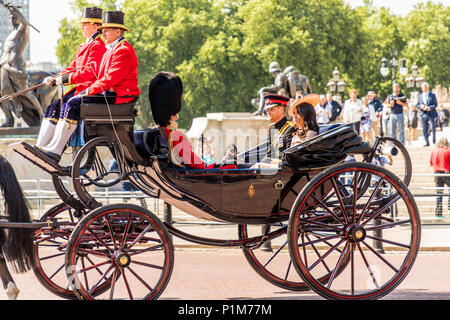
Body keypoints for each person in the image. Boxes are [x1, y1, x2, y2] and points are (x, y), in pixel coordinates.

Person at [35, 10, 141, 162]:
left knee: (73, 103)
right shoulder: (111, 49)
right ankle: (51, 146)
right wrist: (57, 78)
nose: (102, 34)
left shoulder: (122, 50)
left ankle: (55, 149)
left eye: (105, 31)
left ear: (118, 32)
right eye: (102, 30)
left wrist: (87, 91)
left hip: (119, 97)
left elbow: (109, 79)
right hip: (109, 94)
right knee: (63, 104)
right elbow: (92, 73)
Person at [35, 7, 106, 149]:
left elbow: (89, 73)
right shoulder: (83, 46)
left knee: (66, 108)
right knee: (52, 108)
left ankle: (56, 148)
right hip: (79, 89)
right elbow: (71, 68)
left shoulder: (98, 46)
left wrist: (64, 80)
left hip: (89, 91)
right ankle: (40, 146)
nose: (82, 27)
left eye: (85, 24)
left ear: (95, 26)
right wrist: (54, 78)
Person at [149, 71, 236, 170]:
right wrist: (204, 163)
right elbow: (195, 163)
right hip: (194, 178)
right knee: (232, 165)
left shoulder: (157, 134)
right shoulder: (175, 135)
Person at [0, 2, 42, 127]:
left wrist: (14, 10)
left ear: (18, 17)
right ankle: (9, 119)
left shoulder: (22, 31)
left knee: (25, 93)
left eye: (14, 17)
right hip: (5, 67)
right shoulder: (9, 35)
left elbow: (24, 21)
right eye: (10, 17)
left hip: (17, 68)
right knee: (2, 92)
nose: (12, 19)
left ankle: (41, 115)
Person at [251, 97, 319, 169]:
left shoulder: (300, 131)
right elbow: (271, 153)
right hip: (283, 164)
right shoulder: (299, 132)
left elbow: (298, 157)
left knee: (256, 167)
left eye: (298, 113)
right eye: (294, 113)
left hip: (289, 167)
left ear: (305, 115)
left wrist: (280, 161)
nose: (294, 116)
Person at [429, 138, 450, 217]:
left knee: (439, 193)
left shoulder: (434, 151)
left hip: (437, 173)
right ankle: (449, 208)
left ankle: (438, 213)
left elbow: (431, 163)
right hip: (447, 173)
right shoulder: (447, 150)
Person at [417, 82, 438, 147]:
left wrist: (430, 108)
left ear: (428, 87)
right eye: (423, 87)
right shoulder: (420, 96)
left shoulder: (432, 95)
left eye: (426, 87)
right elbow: (417, 105)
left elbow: (435, 104)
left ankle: (434, 141)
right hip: (423, 114)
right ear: (422, 88)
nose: (424, 88)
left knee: (432, 127)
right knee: (424, 129)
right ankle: (427, 142)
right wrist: (421, 106)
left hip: (431, 114)